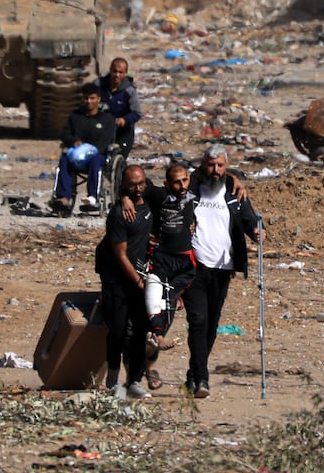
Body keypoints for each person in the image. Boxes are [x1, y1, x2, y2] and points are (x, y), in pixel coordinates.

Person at [181, 144, 262, 399]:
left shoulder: (233, 192)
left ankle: (193, 374)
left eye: (220, 166)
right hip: (195, 266)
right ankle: (202, 379)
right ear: (203, 165)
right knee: (198, 321)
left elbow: (250, 220)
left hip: (223, 268)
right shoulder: (190, 188)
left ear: (226, 167)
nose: (215, 170)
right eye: (211, 165)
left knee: (211, 325)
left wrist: (257, 232)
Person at [94, 165, 153, 399]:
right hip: (118, 280)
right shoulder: (119, 214)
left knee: (139, 332)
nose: (137, 189)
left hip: (141, 276)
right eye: (132, 185)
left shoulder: (149, 202)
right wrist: (139, 283)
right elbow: (120, 255)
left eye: (141, 184)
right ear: (123, 186)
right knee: (117, 331)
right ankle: (112, 379)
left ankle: (135, 380)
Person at [138, 163, 198, 390]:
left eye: (185, 180)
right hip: (159, 258)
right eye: (176, 182)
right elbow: (136, 183)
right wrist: (124, 198)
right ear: (167, 184)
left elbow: (219, 176)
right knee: (153, 306)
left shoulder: (195, 197)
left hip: (183, 263)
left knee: (167, 310)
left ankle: (155, 348)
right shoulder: (160, 196)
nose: (181, 186)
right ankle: (149, 362)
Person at [51, 82, 117, 212]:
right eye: (86, 98)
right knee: (64, 160)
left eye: (92, 98)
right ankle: (64, 197)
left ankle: (92, 197)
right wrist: (74, 141)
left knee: (96, 160)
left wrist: (90, 150)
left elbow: (105, 142)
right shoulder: (76, 116)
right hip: (77, 155)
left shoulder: (107, 119)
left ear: (98, 99)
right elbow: (65, 134)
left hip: (97, 155)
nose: (88, 101)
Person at [97, 58, 142, 157]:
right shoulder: (98, 85)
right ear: (110, 70)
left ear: (125, 73)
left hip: (122, 132)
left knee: (119, 159)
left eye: (120, 72)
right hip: (101, 129)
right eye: (114, 71)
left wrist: (124, 120)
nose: (117, 75)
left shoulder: (129, 90)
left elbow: (137, 113)